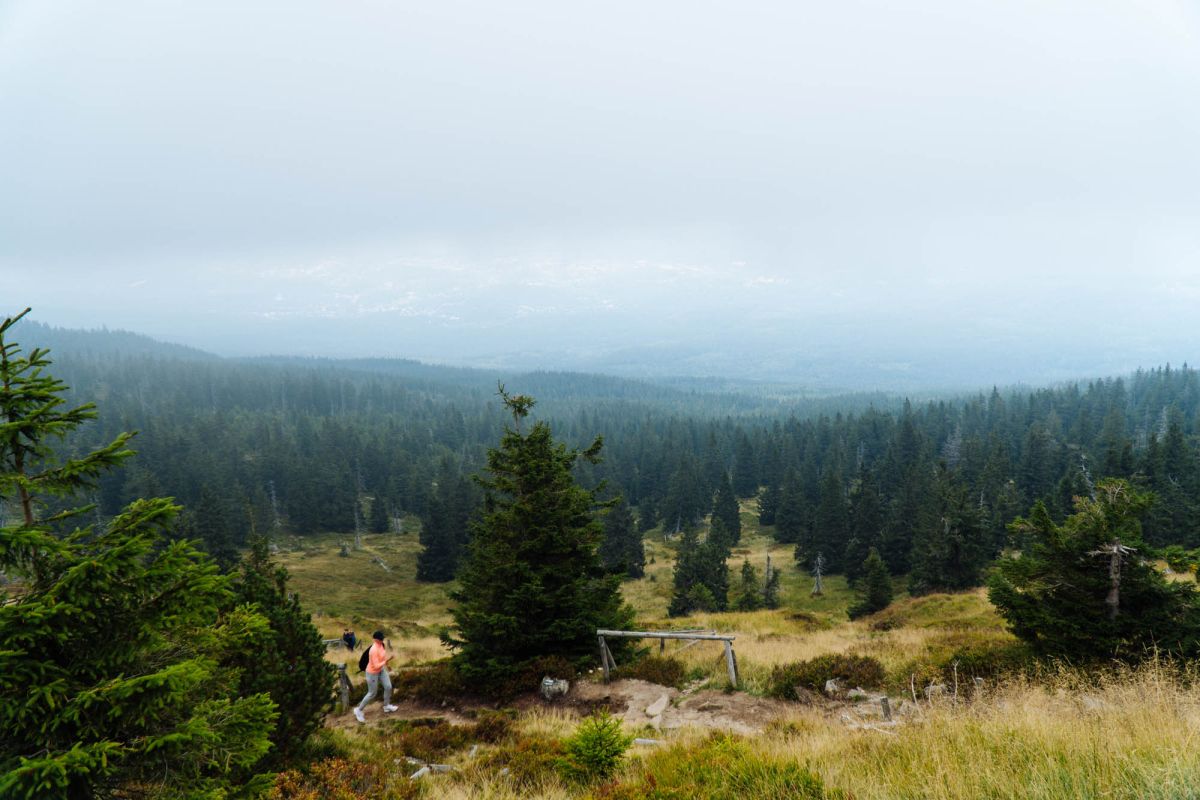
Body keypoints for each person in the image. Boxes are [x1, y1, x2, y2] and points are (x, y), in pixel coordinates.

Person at [353, 630, 397, 722]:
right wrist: (388, 660)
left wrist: (388, 666)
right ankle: (358, 710)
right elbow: (376, 665)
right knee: (372, 693)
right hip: (372, 672)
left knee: (388, 687)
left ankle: (386, 706)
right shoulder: (373, 650)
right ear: (376, 640)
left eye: (382, 639)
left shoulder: (382, 645)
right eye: (381, 639)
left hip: (381, 670)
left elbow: (382, 657)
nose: (382, 640)